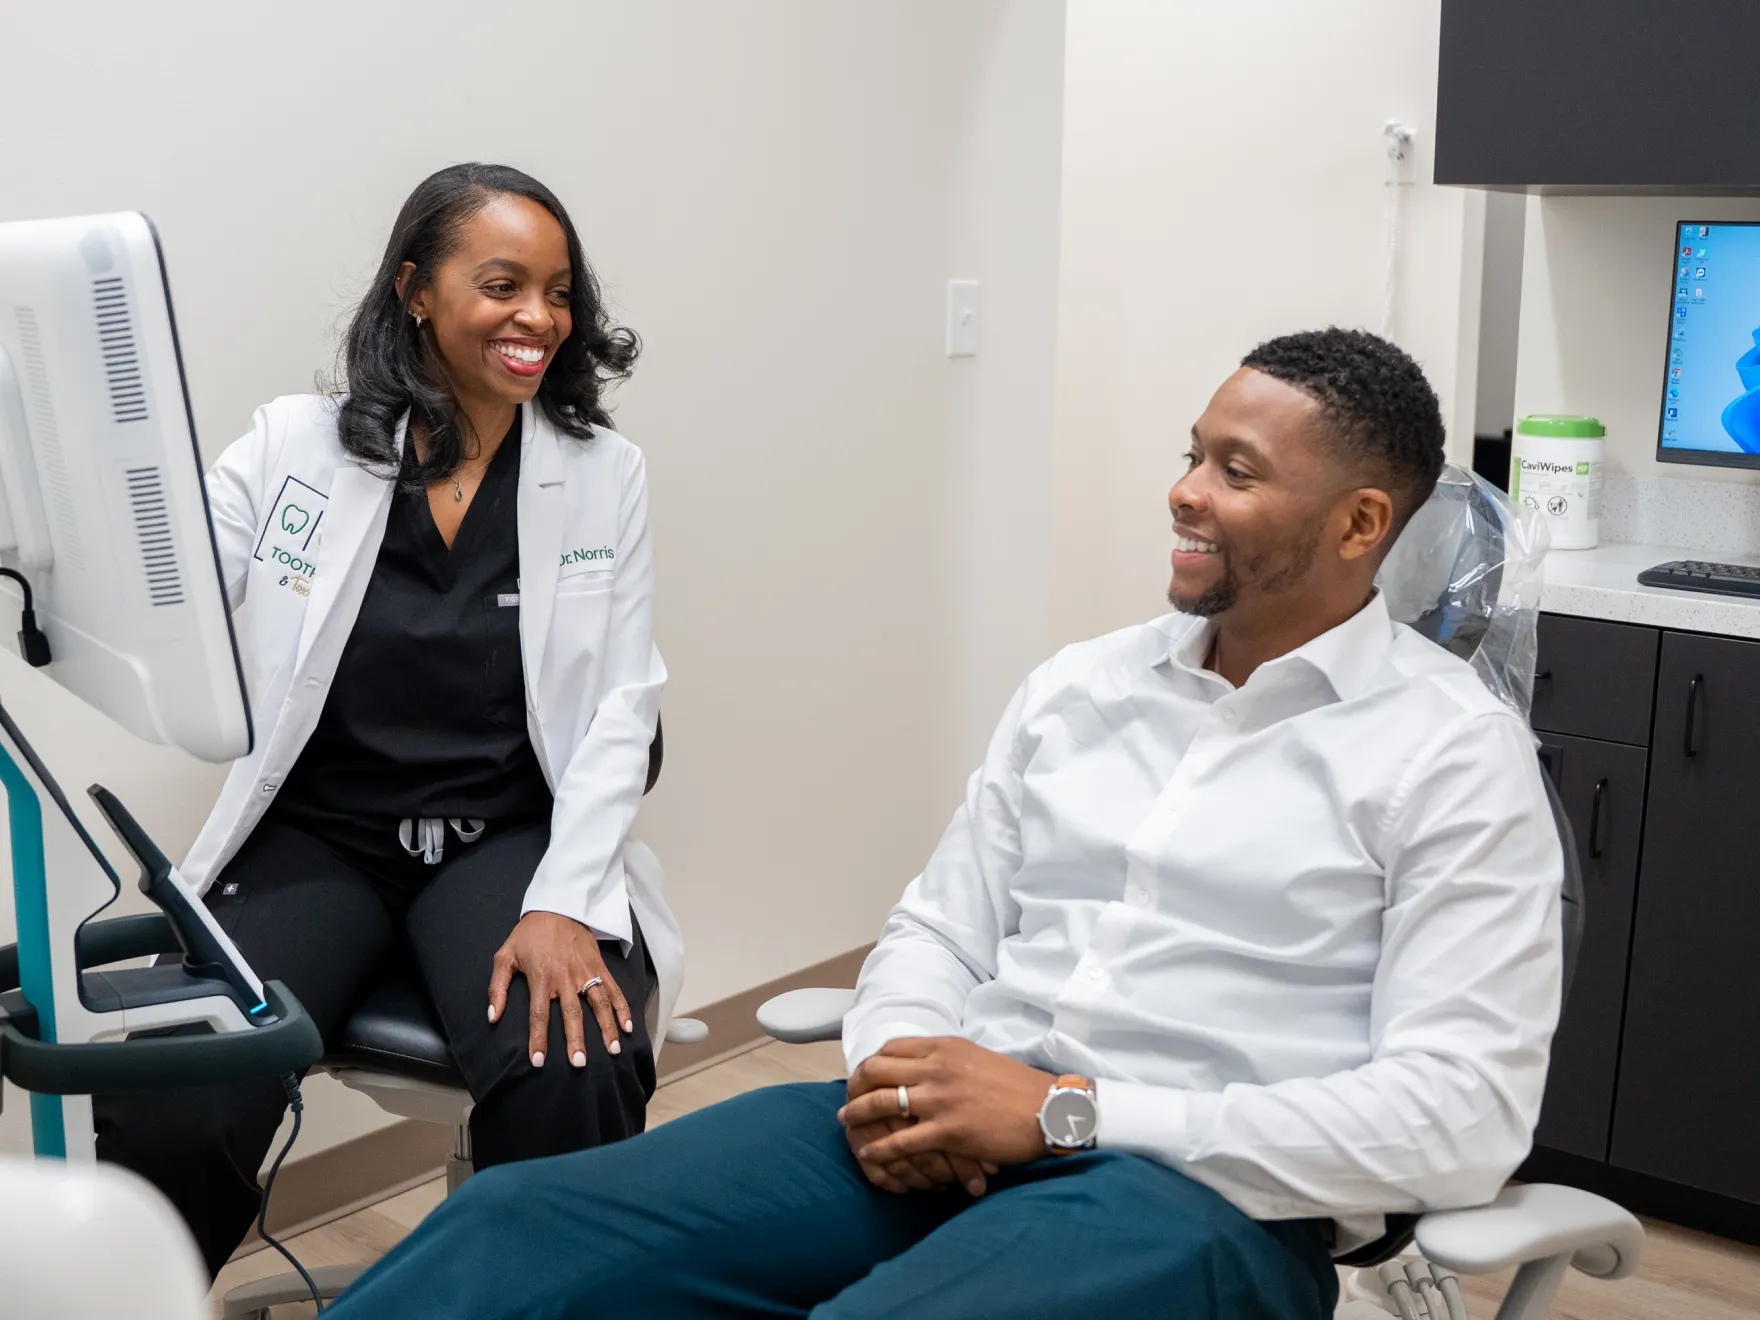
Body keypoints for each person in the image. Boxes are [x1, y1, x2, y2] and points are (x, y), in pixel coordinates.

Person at [324, 328, 1563, 1320]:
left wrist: (1061, 1111)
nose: (1182, 493)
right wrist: (905, 1071)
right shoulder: (1081, 690)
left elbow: (1460, 1120)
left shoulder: (1448, 755)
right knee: (511, 1234)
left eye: (1234, 474)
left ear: (1357, 524)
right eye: (1192, 454)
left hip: (1195, 1202)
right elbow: (937, 930)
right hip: (937, 1128)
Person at [93, 163, 680, 1277]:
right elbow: (165, 588)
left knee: (575, 1060)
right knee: (181, 1093)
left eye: (557, 293)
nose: (539, 317)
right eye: (503, 285)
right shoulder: (295, 447)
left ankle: (514, 1302)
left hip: (507, 838)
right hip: (320, 839)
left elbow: (621, 707)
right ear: (415, 290)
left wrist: (563, 901)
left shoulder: (603, 474)